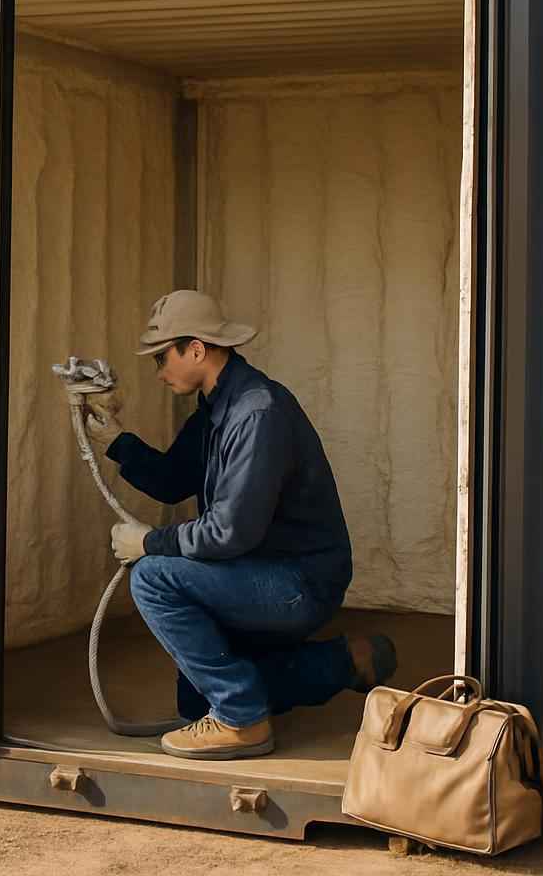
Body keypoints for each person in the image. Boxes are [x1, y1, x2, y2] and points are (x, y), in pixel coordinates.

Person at [85, 289, 398, 760]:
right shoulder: (217, 407)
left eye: (162, 358)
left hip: (296, 583)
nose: (159, 372)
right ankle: (342, 662)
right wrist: (114, 439)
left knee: (152, 577)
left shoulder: (257, 412)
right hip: (257, 573)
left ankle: (240, 720)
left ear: (195, 349)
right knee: (194, 702)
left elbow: (230, 532)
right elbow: (172, 481)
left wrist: (149, 542)